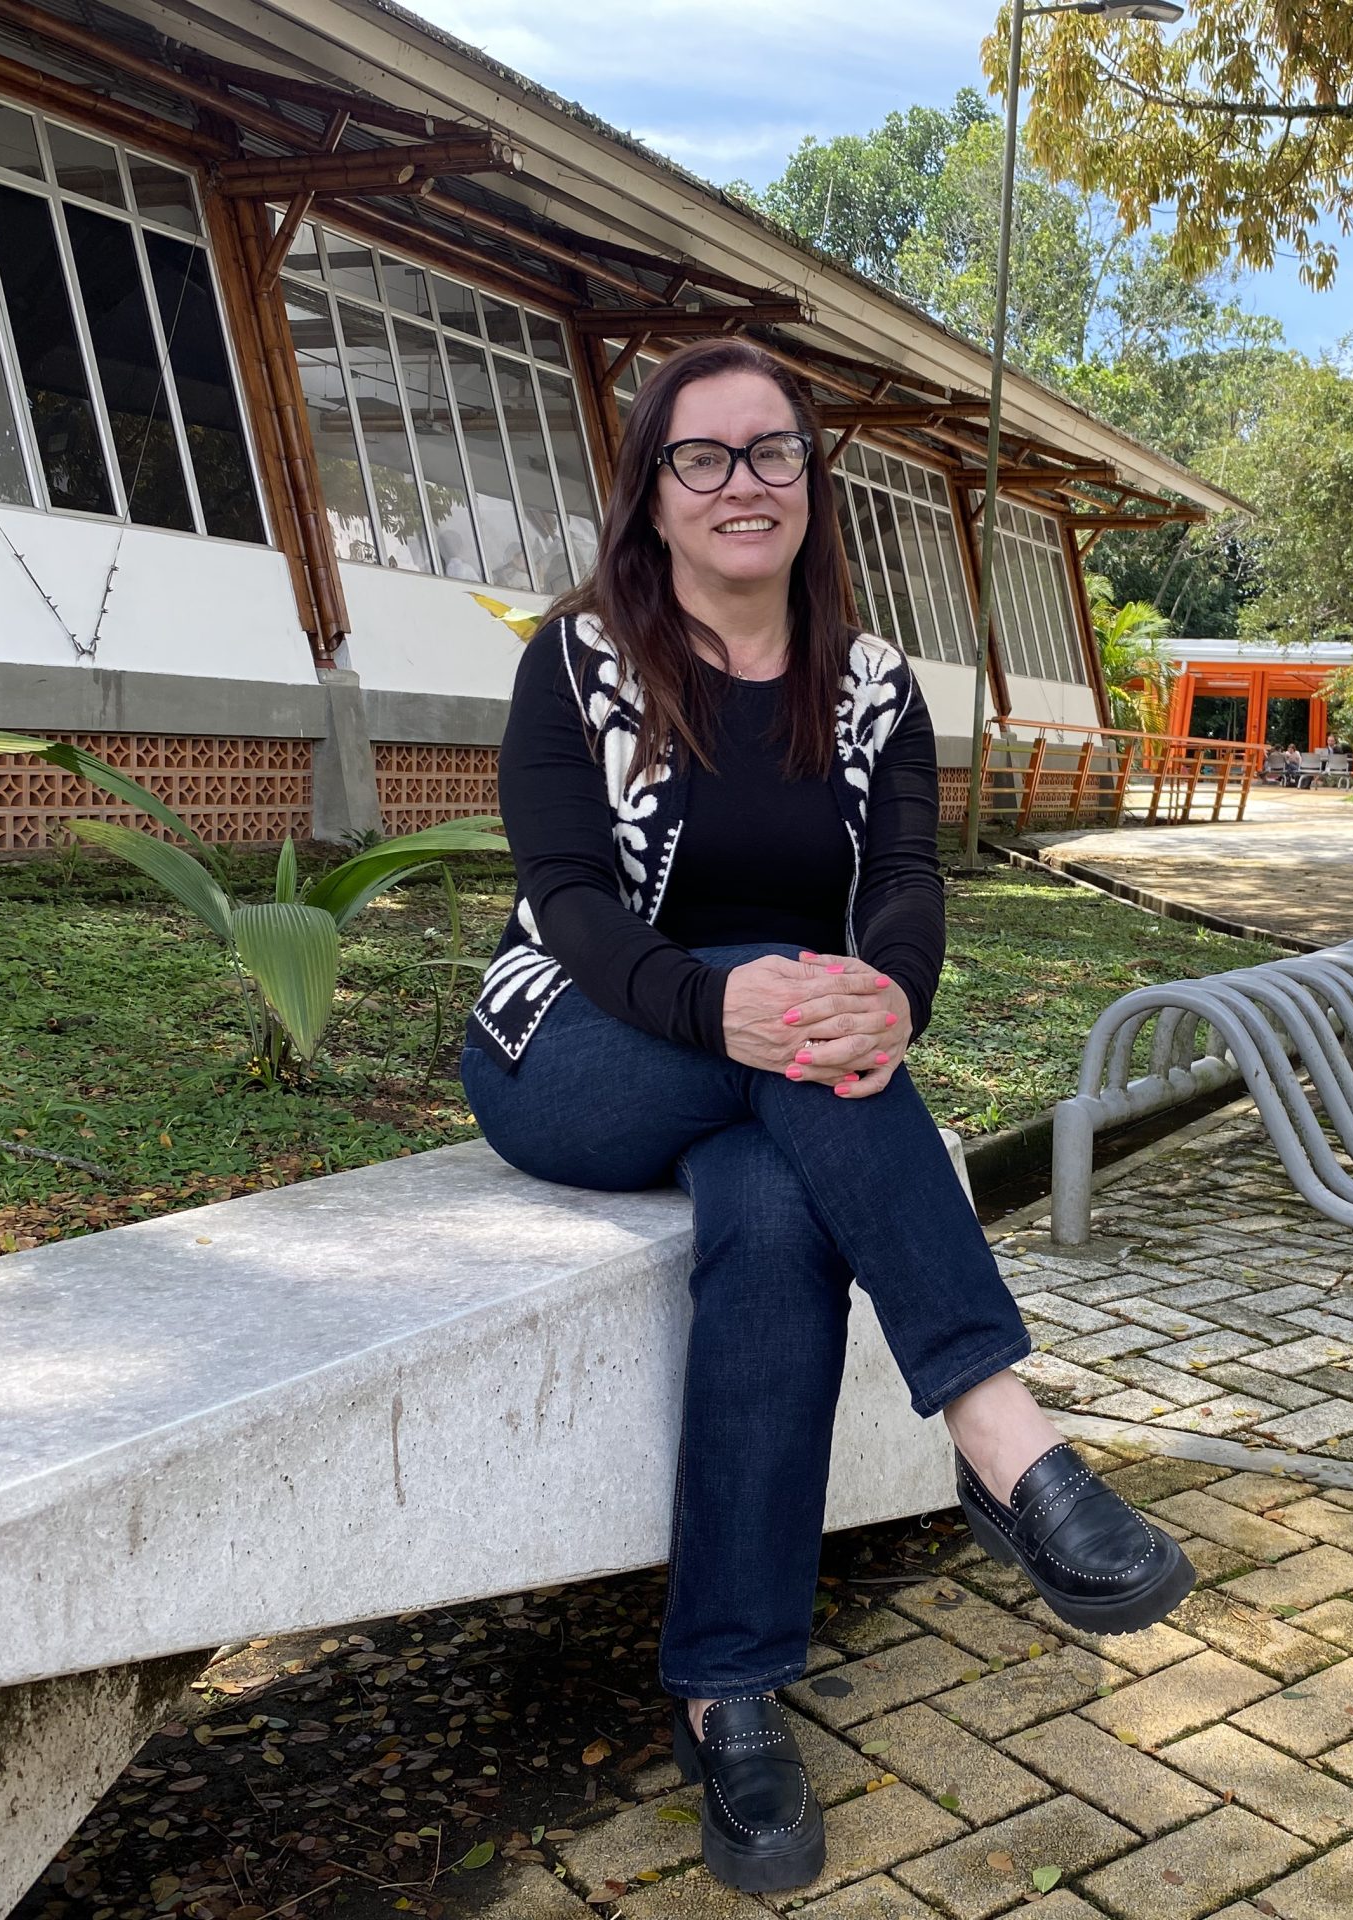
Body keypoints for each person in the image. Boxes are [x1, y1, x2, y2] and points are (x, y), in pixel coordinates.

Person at [460, 338, 1196, 1894]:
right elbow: (570, 901)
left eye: (774, 452)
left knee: (780, 1217)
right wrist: (720, 1001)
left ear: (812, 481)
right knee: (787, 996)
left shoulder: (867, 685)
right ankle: (1004, 1437)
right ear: (651, 493)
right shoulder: (581, 655)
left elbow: (909, 885)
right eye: (704, 456)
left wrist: (895, 1001)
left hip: (773, 1074)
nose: (743, 483)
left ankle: (729, 1699)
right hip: (578, 1054)